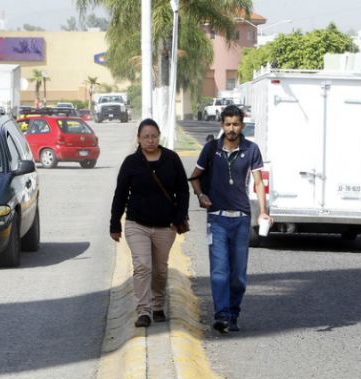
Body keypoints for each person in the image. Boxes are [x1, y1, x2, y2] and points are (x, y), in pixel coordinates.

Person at [188, 105, 271, 334]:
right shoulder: (211, 148)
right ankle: (222, 315)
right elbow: (194, 177)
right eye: (227, 124)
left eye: (235, 124)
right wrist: (201, 194)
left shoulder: (251, 149)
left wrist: (263, 211)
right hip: (217, 219)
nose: (231, 129)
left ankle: (233, 314)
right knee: (219, 271)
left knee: (237, 276)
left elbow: (259, 183)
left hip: (242, 219)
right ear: (222, 125)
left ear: (242, 125)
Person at [110, 119, 190, 327]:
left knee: (160, 270)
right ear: (138, 139)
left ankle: (157, 305)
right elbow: (120, 193)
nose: (150, 140)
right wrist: (115, 223)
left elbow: (182, 190)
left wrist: (179, 217)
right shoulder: (131, 162)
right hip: (137, 224)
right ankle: (143, 311)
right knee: (142, 266)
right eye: (146, 136)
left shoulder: (171, 159)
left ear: (159, 136)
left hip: (166, 226)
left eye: (154, 136)